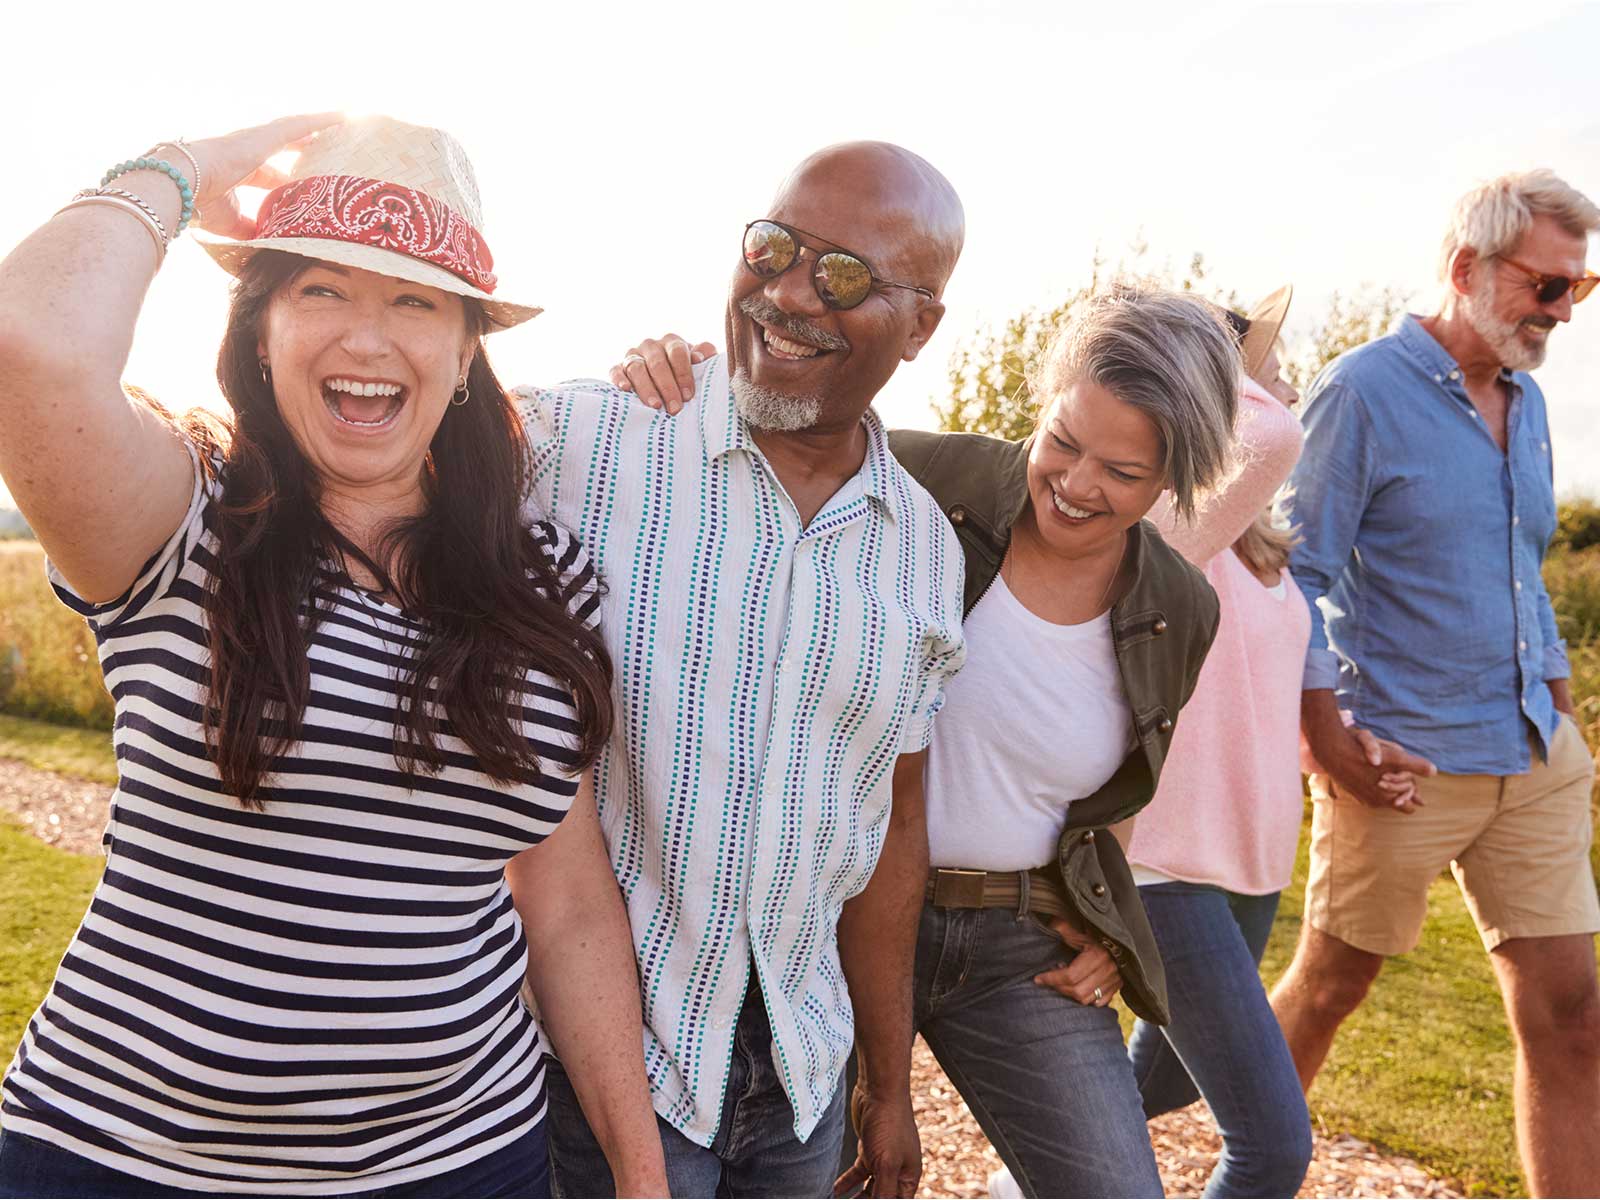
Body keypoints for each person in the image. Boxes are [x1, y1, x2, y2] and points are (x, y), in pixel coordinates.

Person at [0, 115, 666, 1198]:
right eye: (320, 289)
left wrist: (641, 1181)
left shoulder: (542, 583)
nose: (367, 338)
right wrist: (189, 167)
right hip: (124, 1164)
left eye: (414, 300)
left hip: (458, 1165)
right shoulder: (180, 525)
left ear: (462, 356)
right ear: (260, 335)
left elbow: (565, 896)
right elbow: (28, 340)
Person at [617, 280, 1247, 1198]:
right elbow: (767, 439)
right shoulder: (917, 482)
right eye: (1063, 444)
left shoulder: (1178, 608)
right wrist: (681, 372)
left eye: (1122, 472)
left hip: (1017, 947)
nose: (1075, 486)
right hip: (838, 922)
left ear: (1175, 479)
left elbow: (1118, 796)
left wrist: (1109, 926)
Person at [519, 142, 968, 1199]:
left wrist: (885, 1085)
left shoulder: (923, 553)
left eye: (843, 275)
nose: (786, 293)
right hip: (589, 1072)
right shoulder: (583, 446)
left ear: (921, 324)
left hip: (802, 1085)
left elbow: (890, 830)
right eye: (772, 247)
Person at [1270, 169, 1600, 1198]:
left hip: (1529, 753)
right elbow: (1289, 574)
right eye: (1542, 287)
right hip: (1401, 758)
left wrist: (1558, 699)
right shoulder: (1359, 392)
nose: (1558, 312)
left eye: (1575, 291)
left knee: (1570, 1012)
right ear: (1464, 267)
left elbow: (1520, 565)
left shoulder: (1529, 402)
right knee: (1330, 987)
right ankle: (1239, 1178)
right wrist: (1326, 740)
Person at [1117, 286, 1424, 1199]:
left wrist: (1351, 749)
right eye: (1267, 364)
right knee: (1271, 1145)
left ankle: (1042, 1171)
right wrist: (1217, 358)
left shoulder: (1258, 547)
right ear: (1218, 393)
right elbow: (1267, 438)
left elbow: (1253, 691)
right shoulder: (1175, 526)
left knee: (1162, 1084)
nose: (1286, 376)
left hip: (1250, 864)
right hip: (1168, 865)